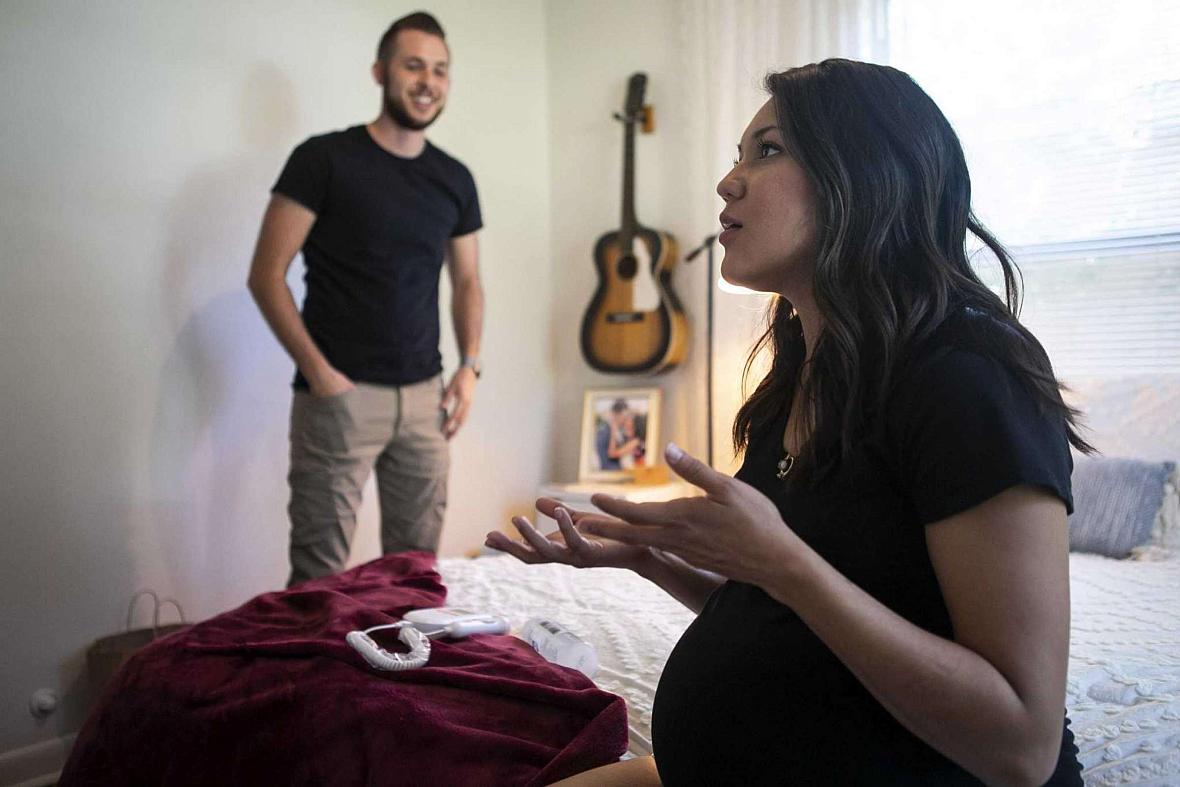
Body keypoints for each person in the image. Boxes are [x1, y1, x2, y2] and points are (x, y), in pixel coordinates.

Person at [488, 59, 1089, 786]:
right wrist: (653, 559)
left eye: (766, 151)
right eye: (737, 155)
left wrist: (781, 561)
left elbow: (1020, 745)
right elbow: (797, 620)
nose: (728, 181)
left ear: (863, 176)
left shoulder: (969, 377)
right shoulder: (805, 367)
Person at [248, 11, 484, 587]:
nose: (428, 81)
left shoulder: (453, 178)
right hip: (338, 399)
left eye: (440, 70)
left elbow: (469, 282)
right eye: (413, 65)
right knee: (316, 580)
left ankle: (396, 678)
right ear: (381, 71)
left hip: (426, 402)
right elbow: (266, 275)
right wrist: (320, 374)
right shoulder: (323, 160)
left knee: (414, 574)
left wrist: (470, 368)